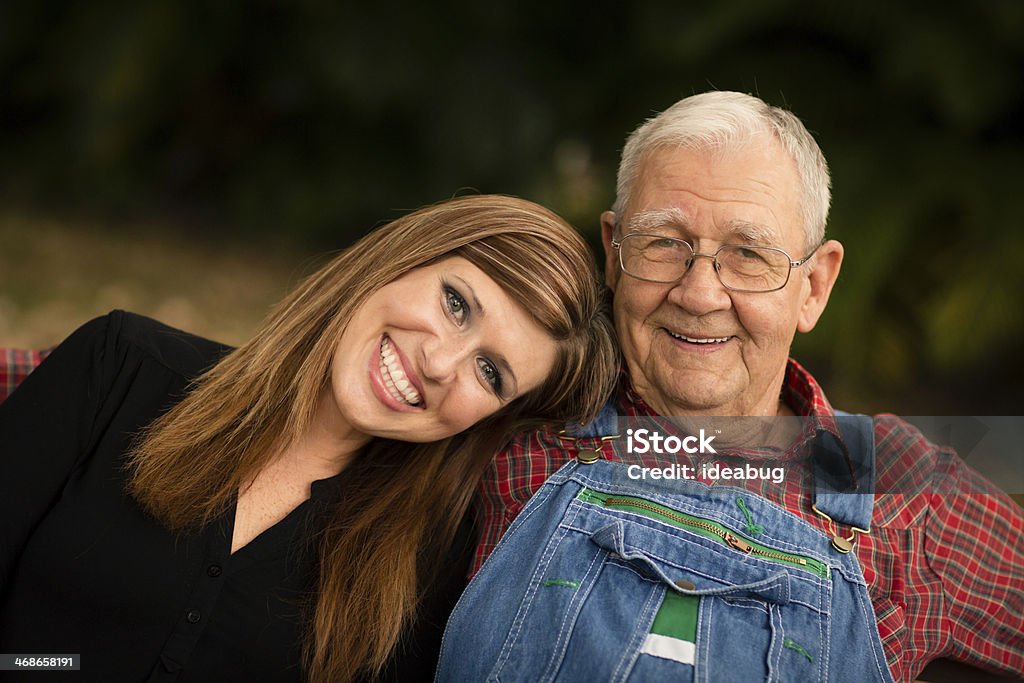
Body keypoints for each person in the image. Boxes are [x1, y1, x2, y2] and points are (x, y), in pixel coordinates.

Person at [439, 93, 1024, 682]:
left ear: (814, 286)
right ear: (614, 255)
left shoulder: (908, 493)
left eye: (748, 254)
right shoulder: (509, 418)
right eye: (664, 242)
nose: (699, 294)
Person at [0, 194, 619, 683]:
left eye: (490, 373)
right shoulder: (121, 367)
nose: (439, 363)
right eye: (457, 304)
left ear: (494, 418)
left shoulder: (429, 576)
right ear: (401, 260)